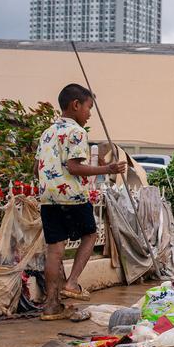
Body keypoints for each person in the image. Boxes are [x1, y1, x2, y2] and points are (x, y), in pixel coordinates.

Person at [36, 84, 126, 320]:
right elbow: (74, 167)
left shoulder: (47, 132)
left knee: (54, 250)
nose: (89, 114)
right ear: (76, 105)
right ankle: (72, 283)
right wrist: (108, 168)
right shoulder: (77, 132)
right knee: (91, 234)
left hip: (48, 196)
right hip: (72, 196)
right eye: (88, 108)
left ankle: (51, 306)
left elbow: (37, 167)